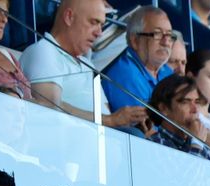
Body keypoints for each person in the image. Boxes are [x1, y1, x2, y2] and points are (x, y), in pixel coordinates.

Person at [23, 0, 149, 130]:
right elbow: (50, 109)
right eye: (94, 22)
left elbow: (105, 113)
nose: (99, 33)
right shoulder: (45, 50)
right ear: (69, 17)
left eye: (101, 25)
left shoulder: (88, 64)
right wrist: (109, 120)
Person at [106, 6, 178, 114]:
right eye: (157, 34)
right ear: (135, 41)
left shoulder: (166, 71)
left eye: (169, 35)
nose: (166, 42)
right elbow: (148, 128)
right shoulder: (126, 75)